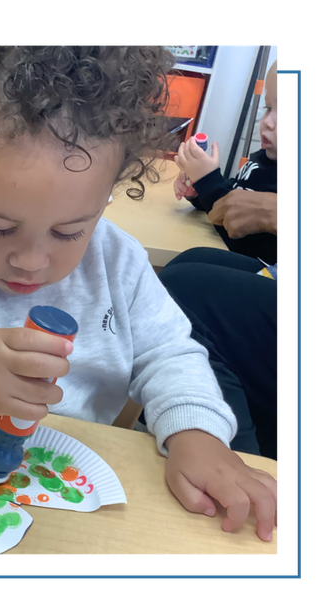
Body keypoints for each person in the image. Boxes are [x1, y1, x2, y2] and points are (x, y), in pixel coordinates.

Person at [0, 45, 278, 542]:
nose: (32, 261)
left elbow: (170, 353)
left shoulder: (119, 264)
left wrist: (197, 433)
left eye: (68, 232)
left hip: (66, 506)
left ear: (107, 192)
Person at [156, 60, 280, 460]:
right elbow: (242, 234)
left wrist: (214, 186)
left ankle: (233, 456)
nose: (269, 125)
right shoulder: (266, 162)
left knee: (184, 290)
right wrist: (205, 195)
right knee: (189, 263)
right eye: (268, 110)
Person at [173, 60, 279, 266]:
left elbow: (239, 229)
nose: (267, 121)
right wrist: (199, 192)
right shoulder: (266, 158)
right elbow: (235, 195)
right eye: (268, 108)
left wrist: (208, 182)